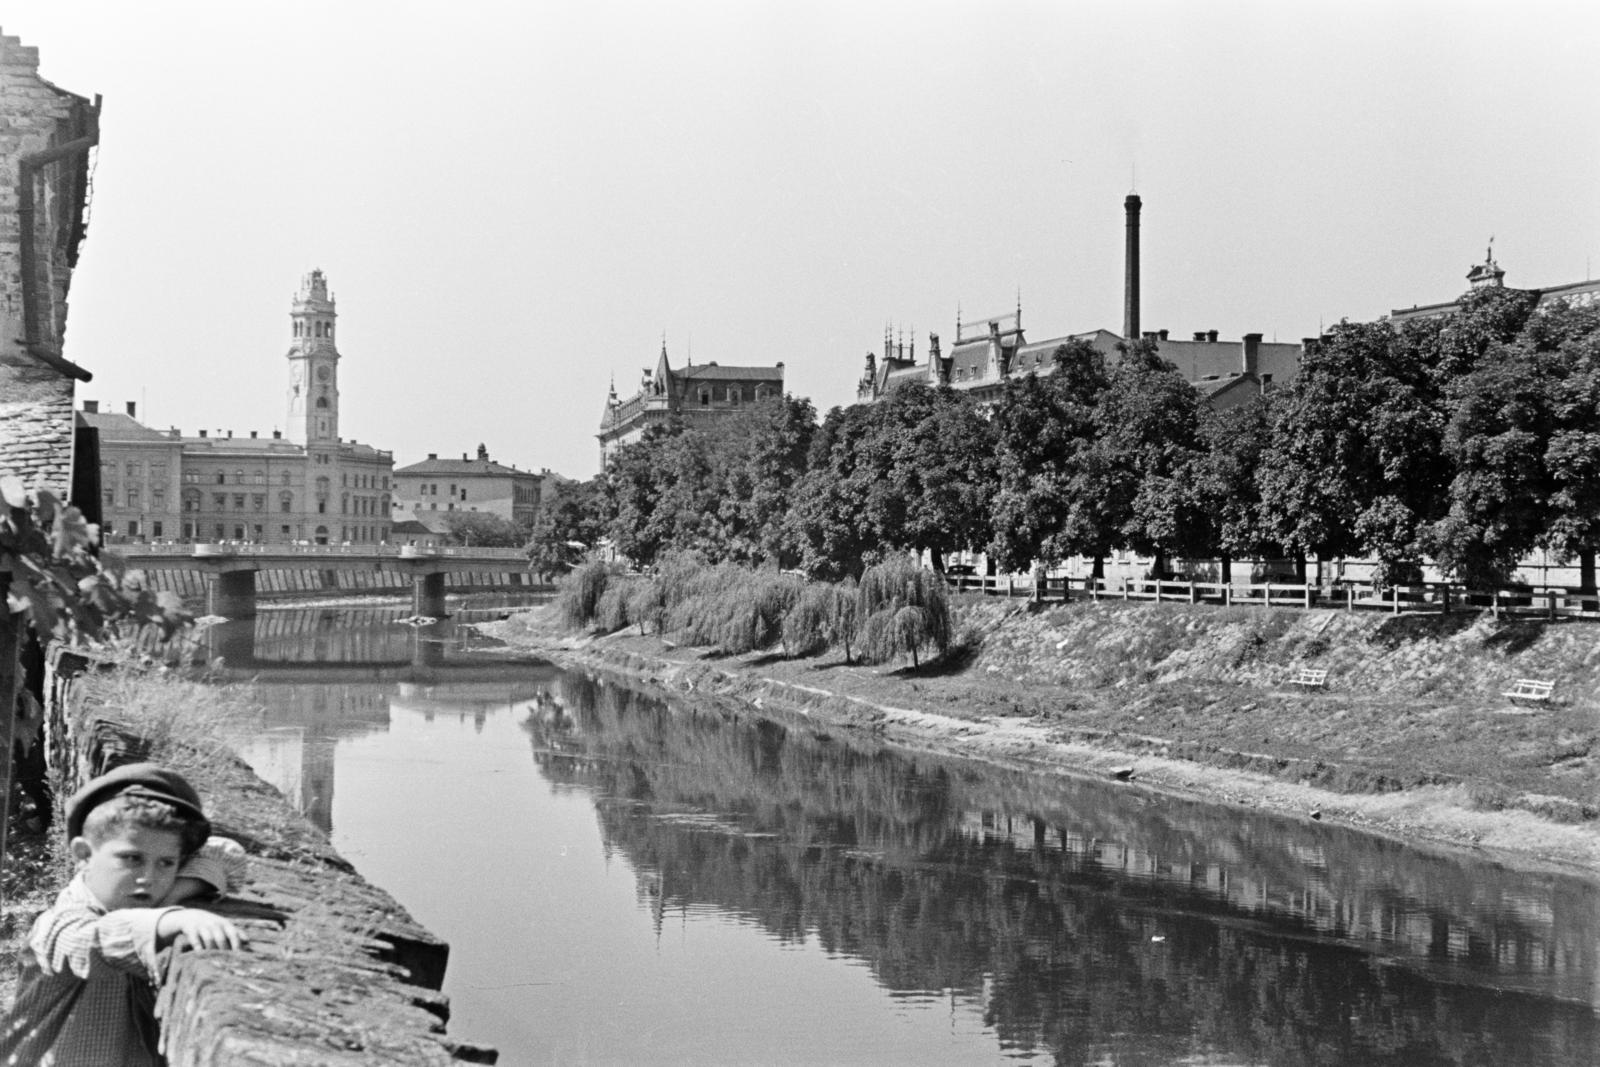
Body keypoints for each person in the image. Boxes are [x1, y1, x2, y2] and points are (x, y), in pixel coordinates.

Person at [0, 763, 250, 1066]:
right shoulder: (57, 924)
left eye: (166, 863)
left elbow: (227, 852)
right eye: (132, 858)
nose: (148, 877)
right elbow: (92, 942)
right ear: (83, 854)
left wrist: (171, 895)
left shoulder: (141, 898)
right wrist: (167, 918)